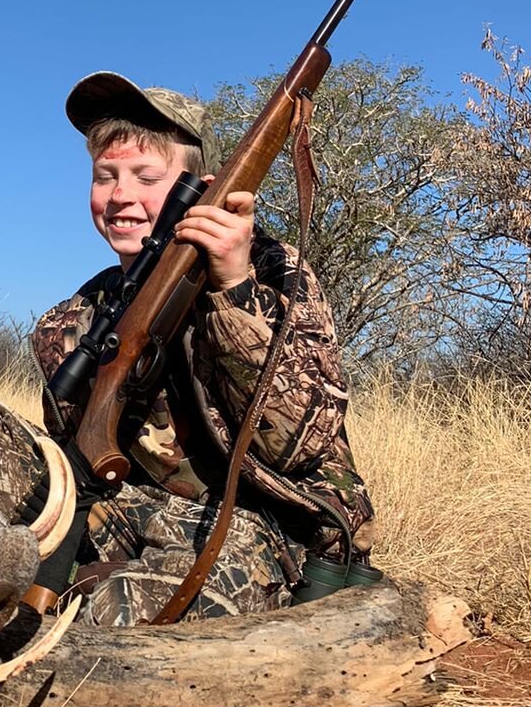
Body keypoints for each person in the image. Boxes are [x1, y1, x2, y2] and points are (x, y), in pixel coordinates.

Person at [30, 71, 376, 626]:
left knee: (114, 615)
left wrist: (231, 290)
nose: (120, 196)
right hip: (138, 514)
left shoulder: (273, 272)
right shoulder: (67, 322)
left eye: (146, 176)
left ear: (204, 190)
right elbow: (80, 453)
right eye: (104, 177)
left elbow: (298, 448)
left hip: (264, 523)